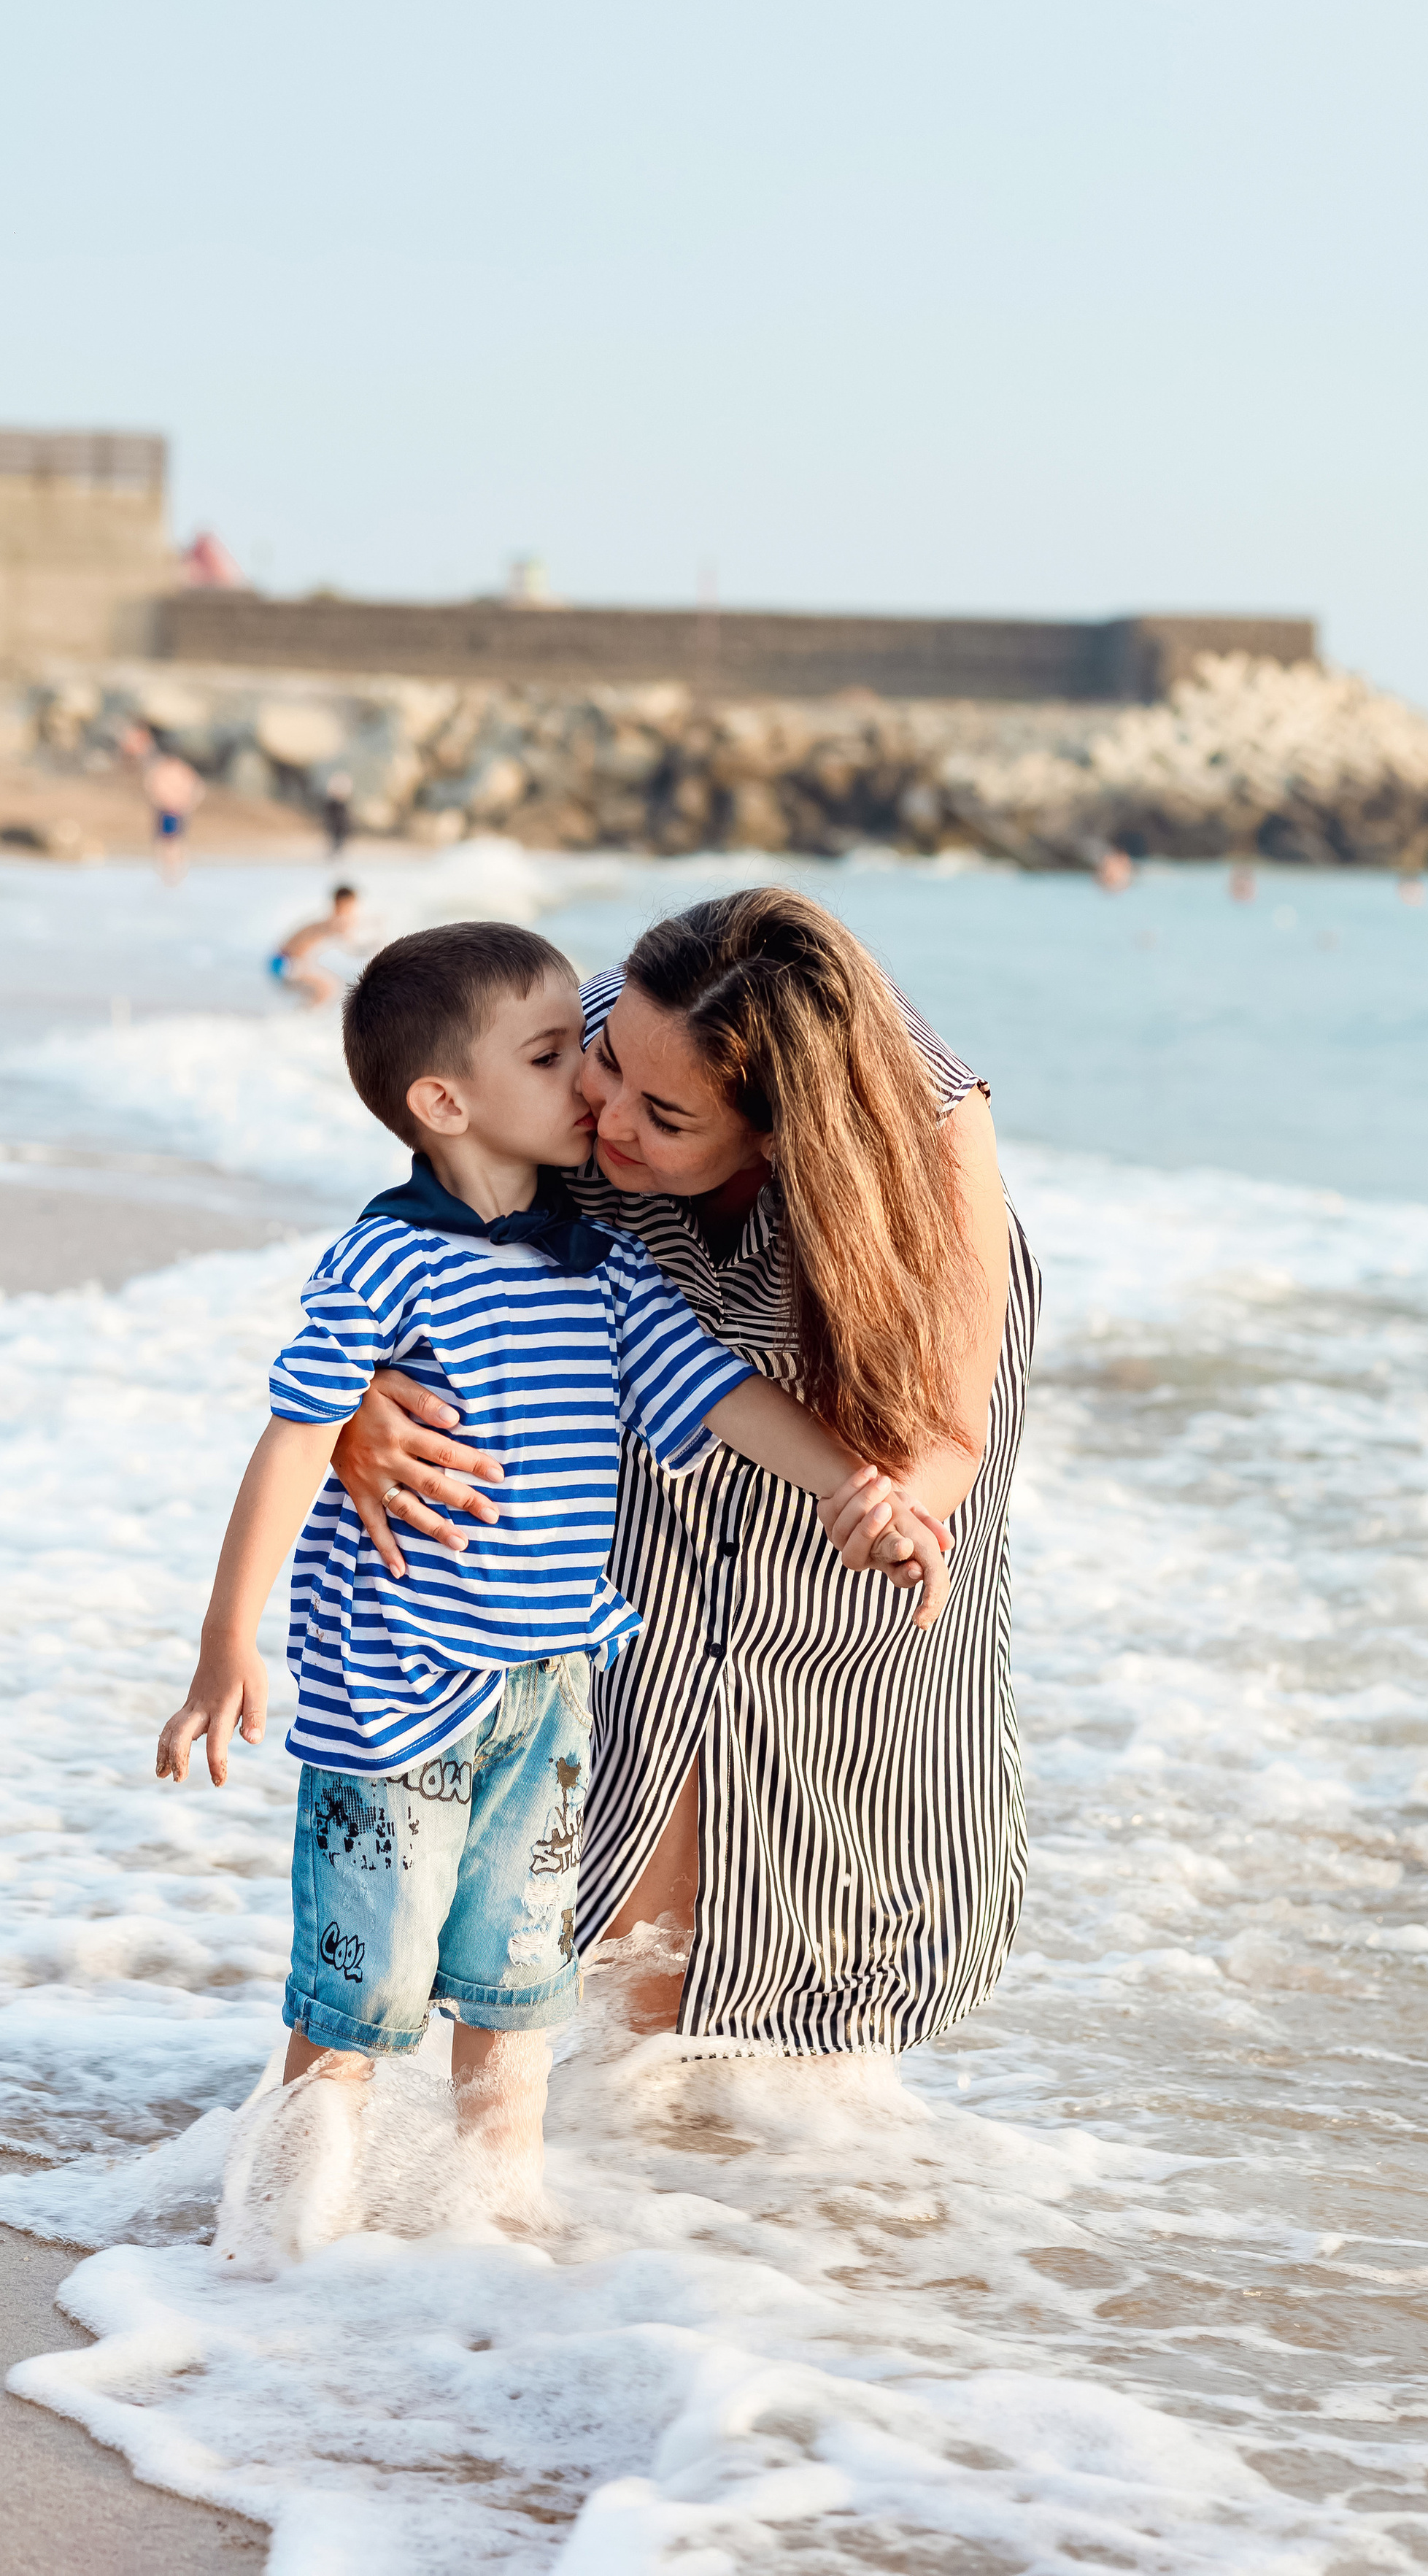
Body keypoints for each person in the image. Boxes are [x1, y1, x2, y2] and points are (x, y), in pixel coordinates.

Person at [156, 921, 945, 2243]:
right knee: (361, 1989)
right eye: (553, 1057)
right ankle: (278, 2255)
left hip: (548, 1684)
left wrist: (857, 1487)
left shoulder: (604, 1269)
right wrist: (229, 1642)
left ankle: (492, 2233)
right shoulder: (386, 1262)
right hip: (392, 1685)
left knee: (515, 1988)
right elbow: (297, 1434)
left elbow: (722, 1394)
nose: (590, 1086)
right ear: (446, 1104)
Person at [333, 887, 1039, 2054]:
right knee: (633, 1682)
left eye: (663, 1116)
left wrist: (888, 1510)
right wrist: (362, 1403)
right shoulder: (601, 1046)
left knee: (846, 1716)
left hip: (869, 1377)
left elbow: (944, 1438)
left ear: (777, 1138)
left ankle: (789, 2127)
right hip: (643, 1356)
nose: (604, 1118)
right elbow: (418, 1222)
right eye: (606, 1062)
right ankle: (612, 2110)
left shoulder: (925, 1144)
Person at [269, 885, 363, 1006]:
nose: (354, 910)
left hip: (279, 961)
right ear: (344, 904)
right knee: (330, 988)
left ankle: (301, 1016)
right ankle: (304, 1019)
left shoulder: (325, 921)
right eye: (352, 905)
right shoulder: (335, 923)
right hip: (286, 964)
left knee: (327, 988)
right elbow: (354, 947)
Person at [144, 744, 204, 883]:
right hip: (170, 809)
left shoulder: (173, 770)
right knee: (169, 841)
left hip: (173, 809)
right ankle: (170, 872)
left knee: (172, 841)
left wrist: (189, 804)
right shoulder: (173, 770)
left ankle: (172, 871)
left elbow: (151, 787)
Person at [322, 768, 355, 855]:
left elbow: (346, 819)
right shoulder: (331, 804)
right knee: (334, 843)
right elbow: (328, 818)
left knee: (339, 843)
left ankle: (336, 855)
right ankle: (333, 855)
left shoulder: (343, 805)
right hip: (334, 828)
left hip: (341, 829)